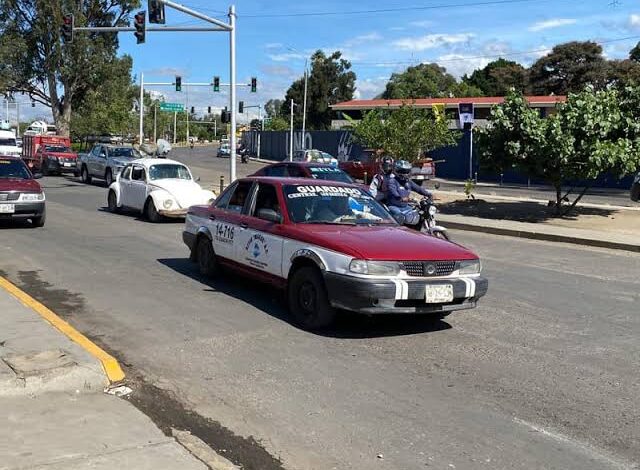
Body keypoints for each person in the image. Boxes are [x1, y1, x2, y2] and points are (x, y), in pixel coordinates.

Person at [386, 160, 432, 225]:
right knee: (400, 216)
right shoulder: (392, 181)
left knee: (418, 214)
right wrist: (400, 198)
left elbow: (419, 189)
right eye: (403, 171)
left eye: (407, 171)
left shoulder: (408, 182)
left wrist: (429, 194)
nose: (405, 173)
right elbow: (393, 192)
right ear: (397, 171)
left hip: (405, 206)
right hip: (394, 206)